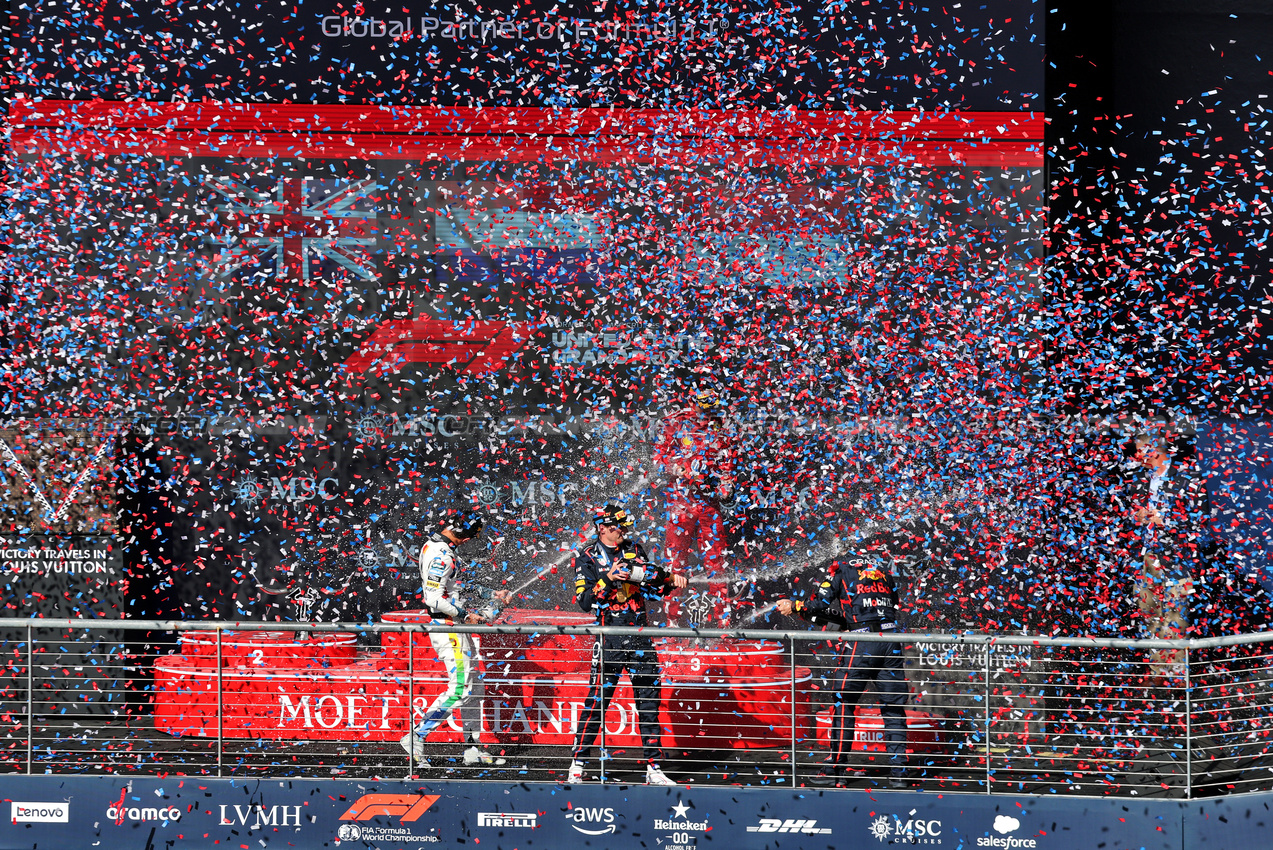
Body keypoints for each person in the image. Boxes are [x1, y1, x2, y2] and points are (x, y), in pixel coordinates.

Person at [566, 504, 688, 785]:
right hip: (609, 638)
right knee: (597, 703)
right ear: (603, 528)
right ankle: (578, 764)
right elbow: (585, 603)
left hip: (640, 635)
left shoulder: (635, 548)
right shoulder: (586, 557)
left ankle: (654, 768)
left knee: (649, 702)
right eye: (618, 526)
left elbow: (651, 588)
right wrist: (608, 578)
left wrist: (669, 582)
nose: (623, 531)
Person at [775, 551, 909, 787]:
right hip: (891, 641)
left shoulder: (841, 568)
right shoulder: (883, 573)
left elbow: (820, 602)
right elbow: (889, 608)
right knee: (893, 709)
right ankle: (899, 774)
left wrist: (796, 605)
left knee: (843, 704)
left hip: (862, 644)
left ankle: (834, 771)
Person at [400, 507, 511, 767]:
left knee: (475, 688)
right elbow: (433, 598)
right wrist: (466, 615)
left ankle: (472, 748)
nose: (470, 540)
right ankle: (416, 736)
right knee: (461, 688)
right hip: (448, 627)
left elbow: (454, 585)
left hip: (455, 626)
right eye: (469, 535)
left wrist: (489, 593)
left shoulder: (440, 547)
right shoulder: (441, 554)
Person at [654, 385, 737, 625]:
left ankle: (722, 621)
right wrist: (677, 469)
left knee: (717, 560)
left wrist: (726, 484)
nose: (708, 413)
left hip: (709, 505)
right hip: (681, 503)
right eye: (704, 406)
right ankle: (671, 621)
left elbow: (727, 462)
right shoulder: (675, 422)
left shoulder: (721, 425)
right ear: (694, 402)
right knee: (675, 561)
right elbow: (659, 459)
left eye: (712, 407)